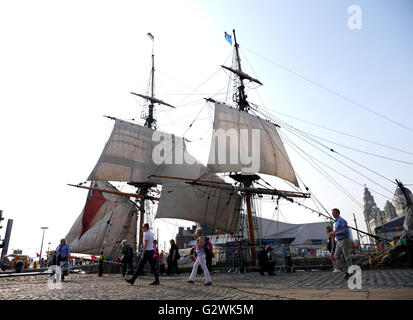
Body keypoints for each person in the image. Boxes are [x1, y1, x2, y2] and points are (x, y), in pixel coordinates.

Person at [331, 208, 353, 280]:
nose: (332, 214)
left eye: (333, 213)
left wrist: (335, 233)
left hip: (344, 240)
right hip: (339, 240)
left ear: (338, 213)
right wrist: (334, 232)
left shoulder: (341, 220)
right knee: (336, 256)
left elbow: (344, 231)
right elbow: (339, 231)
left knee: (347, 256)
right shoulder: (336, 221)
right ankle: (347, 271)